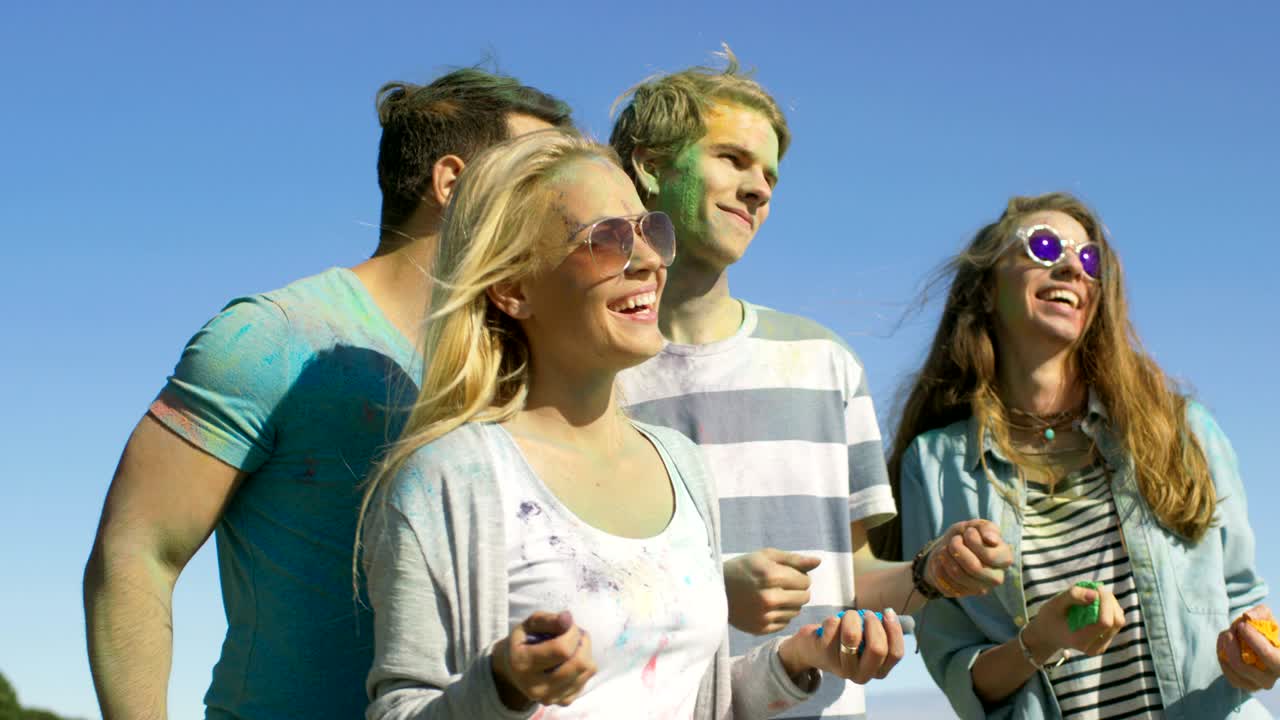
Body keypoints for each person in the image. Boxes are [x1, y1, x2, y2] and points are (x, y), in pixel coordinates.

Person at [359, 129, 900, 719]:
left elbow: (691, 698)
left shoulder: (679, 462)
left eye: (651, 231)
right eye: (610, 238)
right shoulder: (448, 476)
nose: (648, 261)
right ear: (514, 288)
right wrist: (504, 684)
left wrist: (795, 661)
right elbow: (400, 710)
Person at [82, 69, 572, 720]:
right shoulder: (273, 337)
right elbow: (137, 550)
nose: (567, 203)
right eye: (537, 176)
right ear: (452, 185)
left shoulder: (523, 370)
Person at [610, 48, 1013, 719]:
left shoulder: (824, 364)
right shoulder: (597, 376)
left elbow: (851, 580)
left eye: (769, 174)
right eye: (732, 159)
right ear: (650, 167)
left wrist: (929, 573)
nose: (760, 188)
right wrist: (712, 590)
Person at [887, 191, 1275, 718]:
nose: (1072, 266)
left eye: (1089, 259)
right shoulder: (933, 466)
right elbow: (957, 666)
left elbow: (1242, 600)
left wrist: (1258, 654)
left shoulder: (1182, 430)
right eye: (1044, 247)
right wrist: (1040, 641)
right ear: (986, 287)